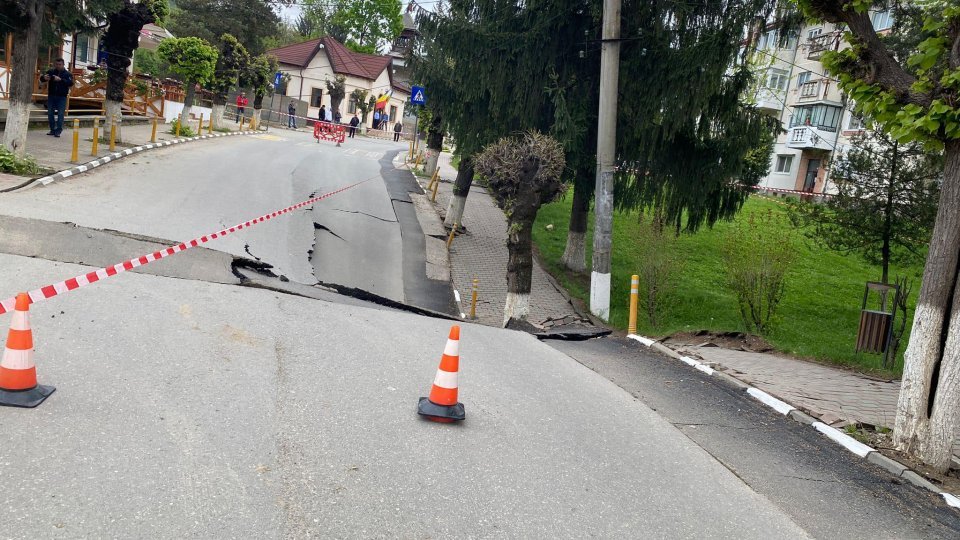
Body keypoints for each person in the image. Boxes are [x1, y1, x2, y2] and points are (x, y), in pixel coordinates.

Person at [40, 58, 73, 137]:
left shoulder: (67, 74)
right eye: (57, 64)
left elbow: (71, 83)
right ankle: (52, 129)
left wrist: (61, 80)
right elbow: (42, 79)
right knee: (50, 113)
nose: (58, 66)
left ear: (63, 64)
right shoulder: (51, 72)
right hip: (51, 96)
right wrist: (44, 78)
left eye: (60, 64)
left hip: (62, 97)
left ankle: (58, 130)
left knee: (60, 114)